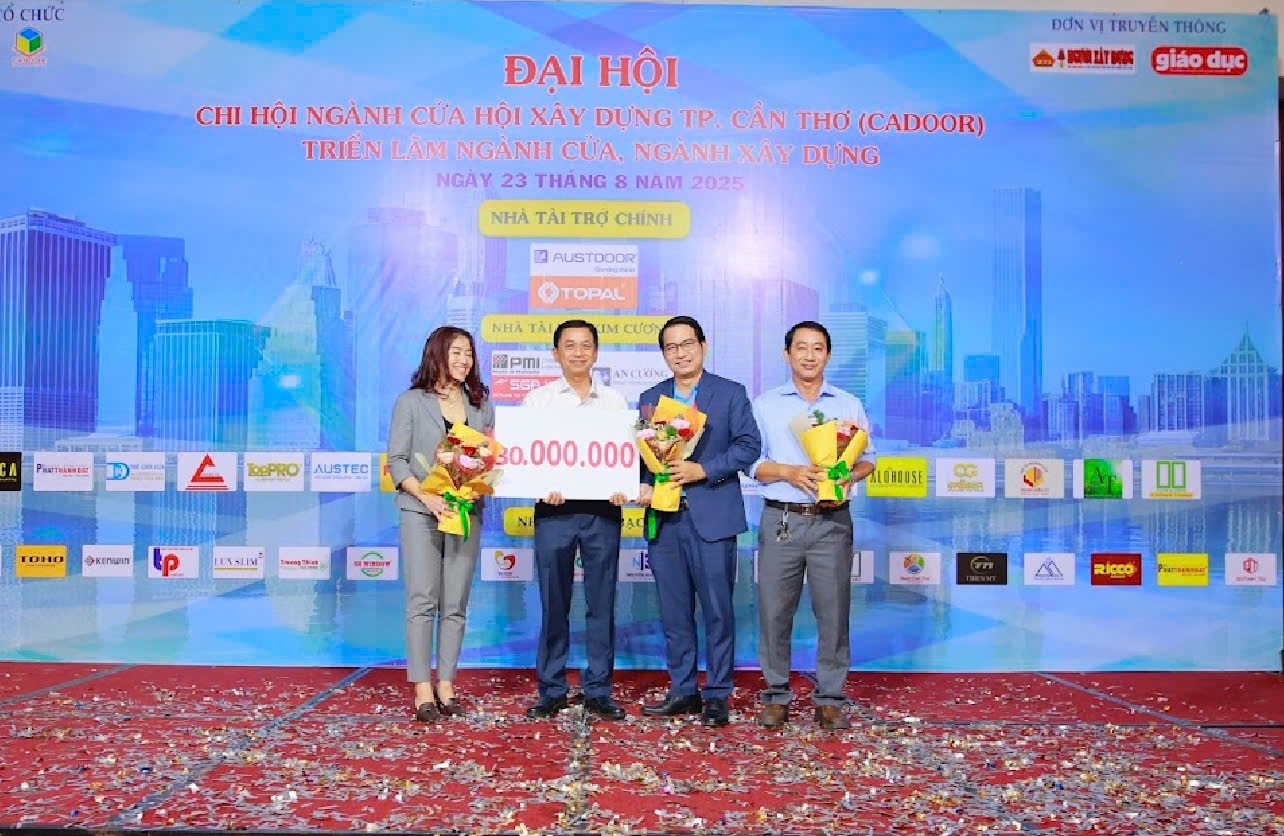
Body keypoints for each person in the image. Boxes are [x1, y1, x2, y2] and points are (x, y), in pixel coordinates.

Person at [748, 320, 876, 730]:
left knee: (834, 614)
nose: (809, 355)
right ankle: (775, 695)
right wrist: (790, 472)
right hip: (782, 519)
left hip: (832, 522)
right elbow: (751, 464)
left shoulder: (848, 404)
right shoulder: (765, 405)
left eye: (817, 348)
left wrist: (848, 476)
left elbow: (869, 459)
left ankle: (830, 698)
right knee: (774, 612)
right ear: (787, 354)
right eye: (801, 347)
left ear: (828, 355)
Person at [637, 315, 761, 727]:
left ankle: (718, 694)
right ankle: (683, 689)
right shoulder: (651, 398)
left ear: (703, 346)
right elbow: (642, 458)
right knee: (673, 612)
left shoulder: (729, 393)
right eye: (671, 347)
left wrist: (702, 470)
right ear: (663, 354)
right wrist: (642, 485)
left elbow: (748, 446)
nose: (680, 353)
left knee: (718, 611)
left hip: (713, 517)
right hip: (665, 519)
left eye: (687, 344)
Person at [522, 319, 632, 721]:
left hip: (603, 512)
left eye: (586, 345)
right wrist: (540, 485)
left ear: (596, 352)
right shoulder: (538, 401)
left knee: (602, 604)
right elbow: (526, 458)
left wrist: (622, 485)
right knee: (554, 603)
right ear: (556, 354)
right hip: (555, 512)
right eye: (570, 345)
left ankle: (599, 689)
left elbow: (625, 456)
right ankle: (551, 688)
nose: (579, 352)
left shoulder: (615, 402)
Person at [387, 326, 495, 723]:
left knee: (455, 603)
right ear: (437, 354)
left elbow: (486, 459)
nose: (464, 360)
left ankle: (447, 684)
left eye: (469, 353)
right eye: (456, 352)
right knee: (423, 599)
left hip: (465, 512)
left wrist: (479, 485)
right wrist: (426, 497)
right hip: (421, 511)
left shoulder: (481, 406)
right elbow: (397, 460)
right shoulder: (411, 402)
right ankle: (422, 688)